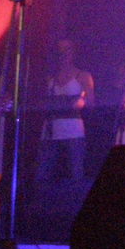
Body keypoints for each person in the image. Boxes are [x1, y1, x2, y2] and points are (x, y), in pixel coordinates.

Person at [35, 38, 95, 183]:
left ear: (73, 52)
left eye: (67, 49)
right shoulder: (50, 77)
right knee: (42, 175)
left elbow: (91, 103)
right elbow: (41, 103)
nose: (63, 53)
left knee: (76, 174)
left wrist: (80, 102)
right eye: (60, 50)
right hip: (50, 131)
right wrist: (66, 102)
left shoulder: (83, 75)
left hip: (73, 131)